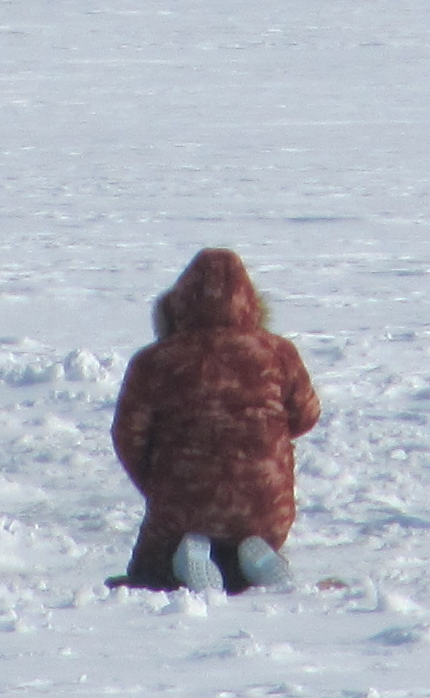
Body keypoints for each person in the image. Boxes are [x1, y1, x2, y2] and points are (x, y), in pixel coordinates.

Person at [112, 247, 322, 592]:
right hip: (265, 503)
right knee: (252, 532)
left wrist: (157, 485)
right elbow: (306, 415)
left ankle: (184, 559)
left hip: (181, 498)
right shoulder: (278, 352)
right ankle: (254, 555)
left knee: (152, 568)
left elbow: (128, 435)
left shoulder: (155, 360)